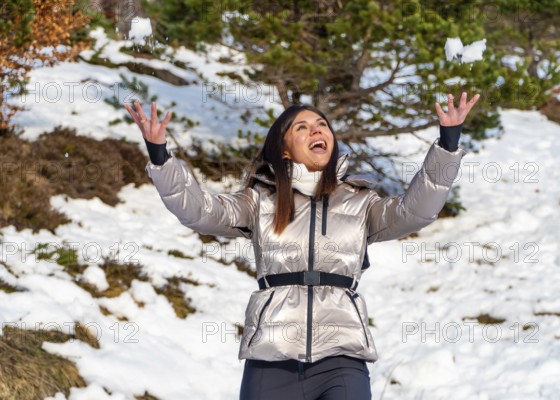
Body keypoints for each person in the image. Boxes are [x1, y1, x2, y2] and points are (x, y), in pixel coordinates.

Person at [124, 92, 480, 400]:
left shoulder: (360, 203)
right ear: (285, 148)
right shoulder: (259, 202)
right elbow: (198, 211)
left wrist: (447, 146)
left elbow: (415, 211)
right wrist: (160, 155)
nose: (317, 130)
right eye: (303, 127)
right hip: (271, 359)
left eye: (322, 125)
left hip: (341, 355)